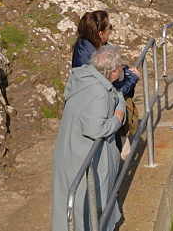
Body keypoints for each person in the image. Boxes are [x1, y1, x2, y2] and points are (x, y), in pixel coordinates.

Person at [51, 44, 128, 231]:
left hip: (70, 152)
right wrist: (117, 120)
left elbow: (116, 96)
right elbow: (96, 128)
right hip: (83, 157)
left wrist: (119, 105)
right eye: (121, 67)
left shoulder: (84, 78)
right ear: (112, 72)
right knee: (88, 205)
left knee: (74, 204)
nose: (123, 69)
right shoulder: (98, 94)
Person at [72, 12, 139, 145]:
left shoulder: (91, 46)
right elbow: (110, 89)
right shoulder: (91, 54)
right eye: (110, 28)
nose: (111, 31)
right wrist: (131, 79)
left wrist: (125, 71)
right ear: (100, 33)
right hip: (102, 114)